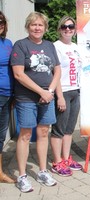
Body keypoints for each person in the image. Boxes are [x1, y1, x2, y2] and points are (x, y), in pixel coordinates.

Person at [10, 12, 61, 192]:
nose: (37, 28)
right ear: (28, 27)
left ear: (45, 28)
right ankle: (22, 175)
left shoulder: (49, 46)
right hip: (26, 98)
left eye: (40, 25)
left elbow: (57, 70)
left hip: (47, 97)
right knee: (24, 135)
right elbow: (18, 74)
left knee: (44, 133)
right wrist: (41, 91)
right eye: (33, 25)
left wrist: (50, 91)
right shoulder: (21, 45)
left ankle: (42, 171)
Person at [50, 16, 83, 177]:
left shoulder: (76, 47)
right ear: (59, 29)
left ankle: (66, 158)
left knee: (69, 129)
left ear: (75, 30)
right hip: (63, 92)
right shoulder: (55, 47)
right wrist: (60, 96)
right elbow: (55, 73)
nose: (68, 29)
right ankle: (57, 162)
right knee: (59, 129)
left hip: (76, 91)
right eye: (64, 27)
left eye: (71, 26)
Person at [0, 11, 15, 183]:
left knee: (1, 135)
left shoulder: (7, 43)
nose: (0, 24)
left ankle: (0, 173)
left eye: (2, 21)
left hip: (7, 96)